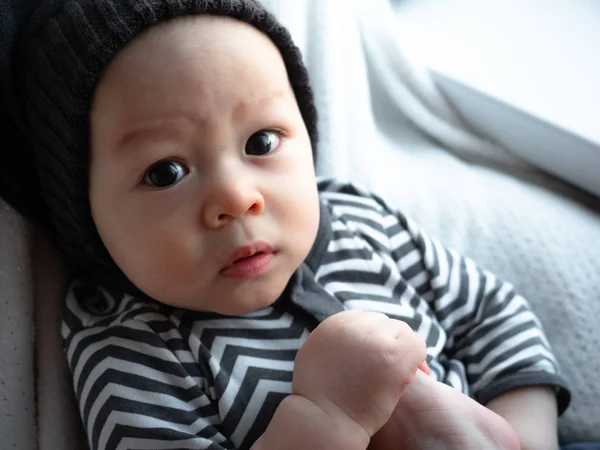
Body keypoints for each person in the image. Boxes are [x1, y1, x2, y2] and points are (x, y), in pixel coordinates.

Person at [3, 0, 593, 449]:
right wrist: (328, 419)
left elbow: (495, 316)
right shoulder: (130, 344)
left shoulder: (362, 222)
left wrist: (517, 434)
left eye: (262, 141)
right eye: (165, 172)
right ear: (85, 211)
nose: (237, 197)